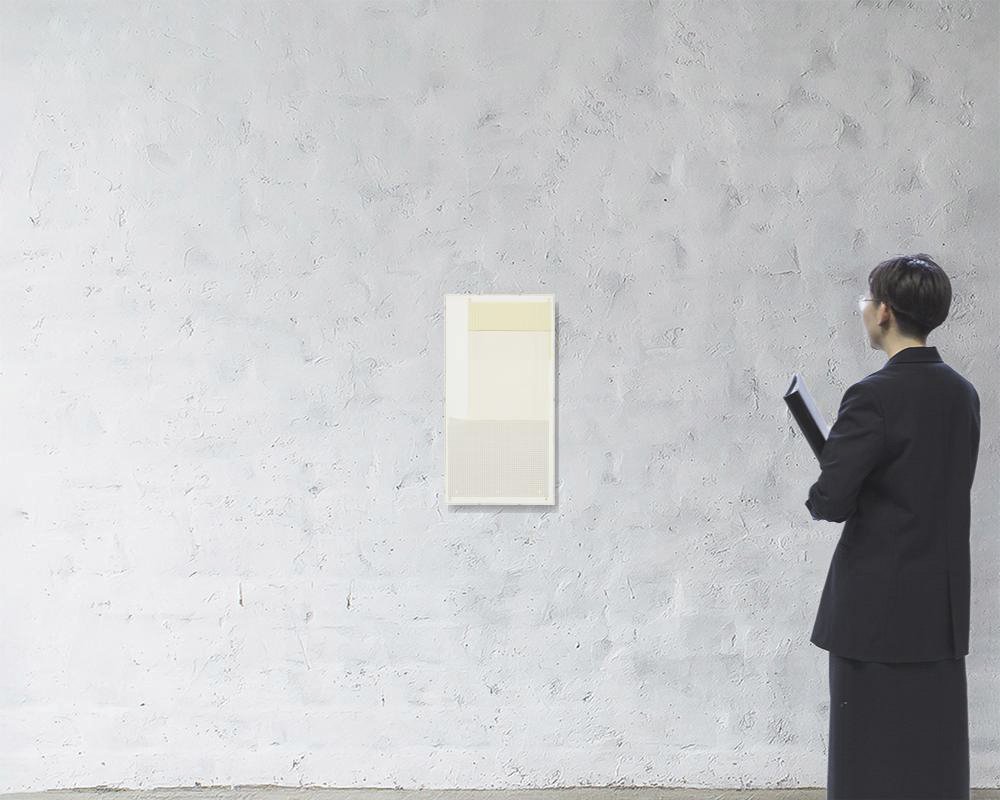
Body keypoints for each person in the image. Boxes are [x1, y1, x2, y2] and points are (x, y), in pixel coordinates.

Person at [804, 254, 980, 799]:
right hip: (939, 607)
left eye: (867, 299)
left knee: (867, 759)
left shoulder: (872, 395)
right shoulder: (962, 393)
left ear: (883, 312)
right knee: (934, 755)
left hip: (874, 607)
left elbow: (831, 501)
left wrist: (829, 473)